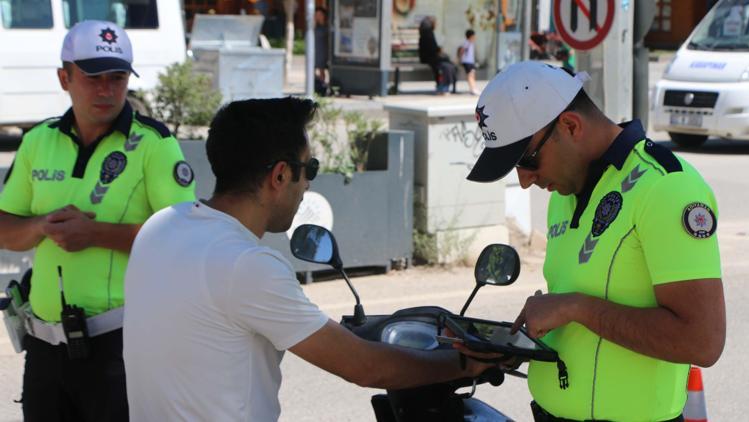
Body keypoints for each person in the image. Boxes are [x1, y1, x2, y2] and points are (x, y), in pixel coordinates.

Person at [122, 97, 494, 421]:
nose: (309, 184)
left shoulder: (161, 227)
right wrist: (465, 363)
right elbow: (365, 367)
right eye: (309, 169)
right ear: (280, 175)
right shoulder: (246, 265)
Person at [462, 61, 725, 421]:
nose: (524, 181)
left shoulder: (666, 187)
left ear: (570, 125)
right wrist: (518, 343)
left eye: (527, 160)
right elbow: (588, 323)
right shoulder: (564, 192)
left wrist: (577, 308)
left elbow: (702, 341)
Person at [0, 20, 196, 421]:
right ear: (64, 78)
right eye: (92, 77)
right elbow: (5, 229)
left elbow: (186, 237)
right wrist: (41, 227)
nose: (106, 90)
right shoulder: (38, 140)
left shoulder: (155, 144)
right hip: (43, 349)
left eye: (117, 77)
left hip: (120, 347)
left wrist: (96, 234)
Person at [418, 16, 456, 94]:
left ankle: (443, 86)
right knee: (448, 64)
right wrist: (439, 50)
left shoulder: (425, 32)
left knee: (447, 63)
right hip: (430, 58)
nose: (436, 25)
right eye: (435, 23)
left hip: (429, 57)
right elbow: (432, 48)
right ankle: (444, 87)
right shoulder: (428, 33)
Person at [458, 29, 479, 95]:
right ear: (471, 36)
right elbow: (462, 50)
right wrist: (460, 59)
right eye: (474, 36)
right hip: (467, 61)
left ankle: (474, 88)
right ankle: (472, 89)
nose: (475, 37)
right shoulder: (466, 42)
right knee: (470, 75)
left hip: (470, 61)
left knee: (472, 74)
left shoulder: (471, 43)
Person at [314, 6, 329, 96]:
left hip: (324, 50)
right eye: (316, 15)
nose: (318, 16)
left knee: (322, 69)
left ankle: (323, 87)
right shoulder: (314, 26)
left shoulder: (326, 26)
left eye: (320, 14)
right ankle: (319, 87)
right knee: (316, 70)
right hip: (316, 50)